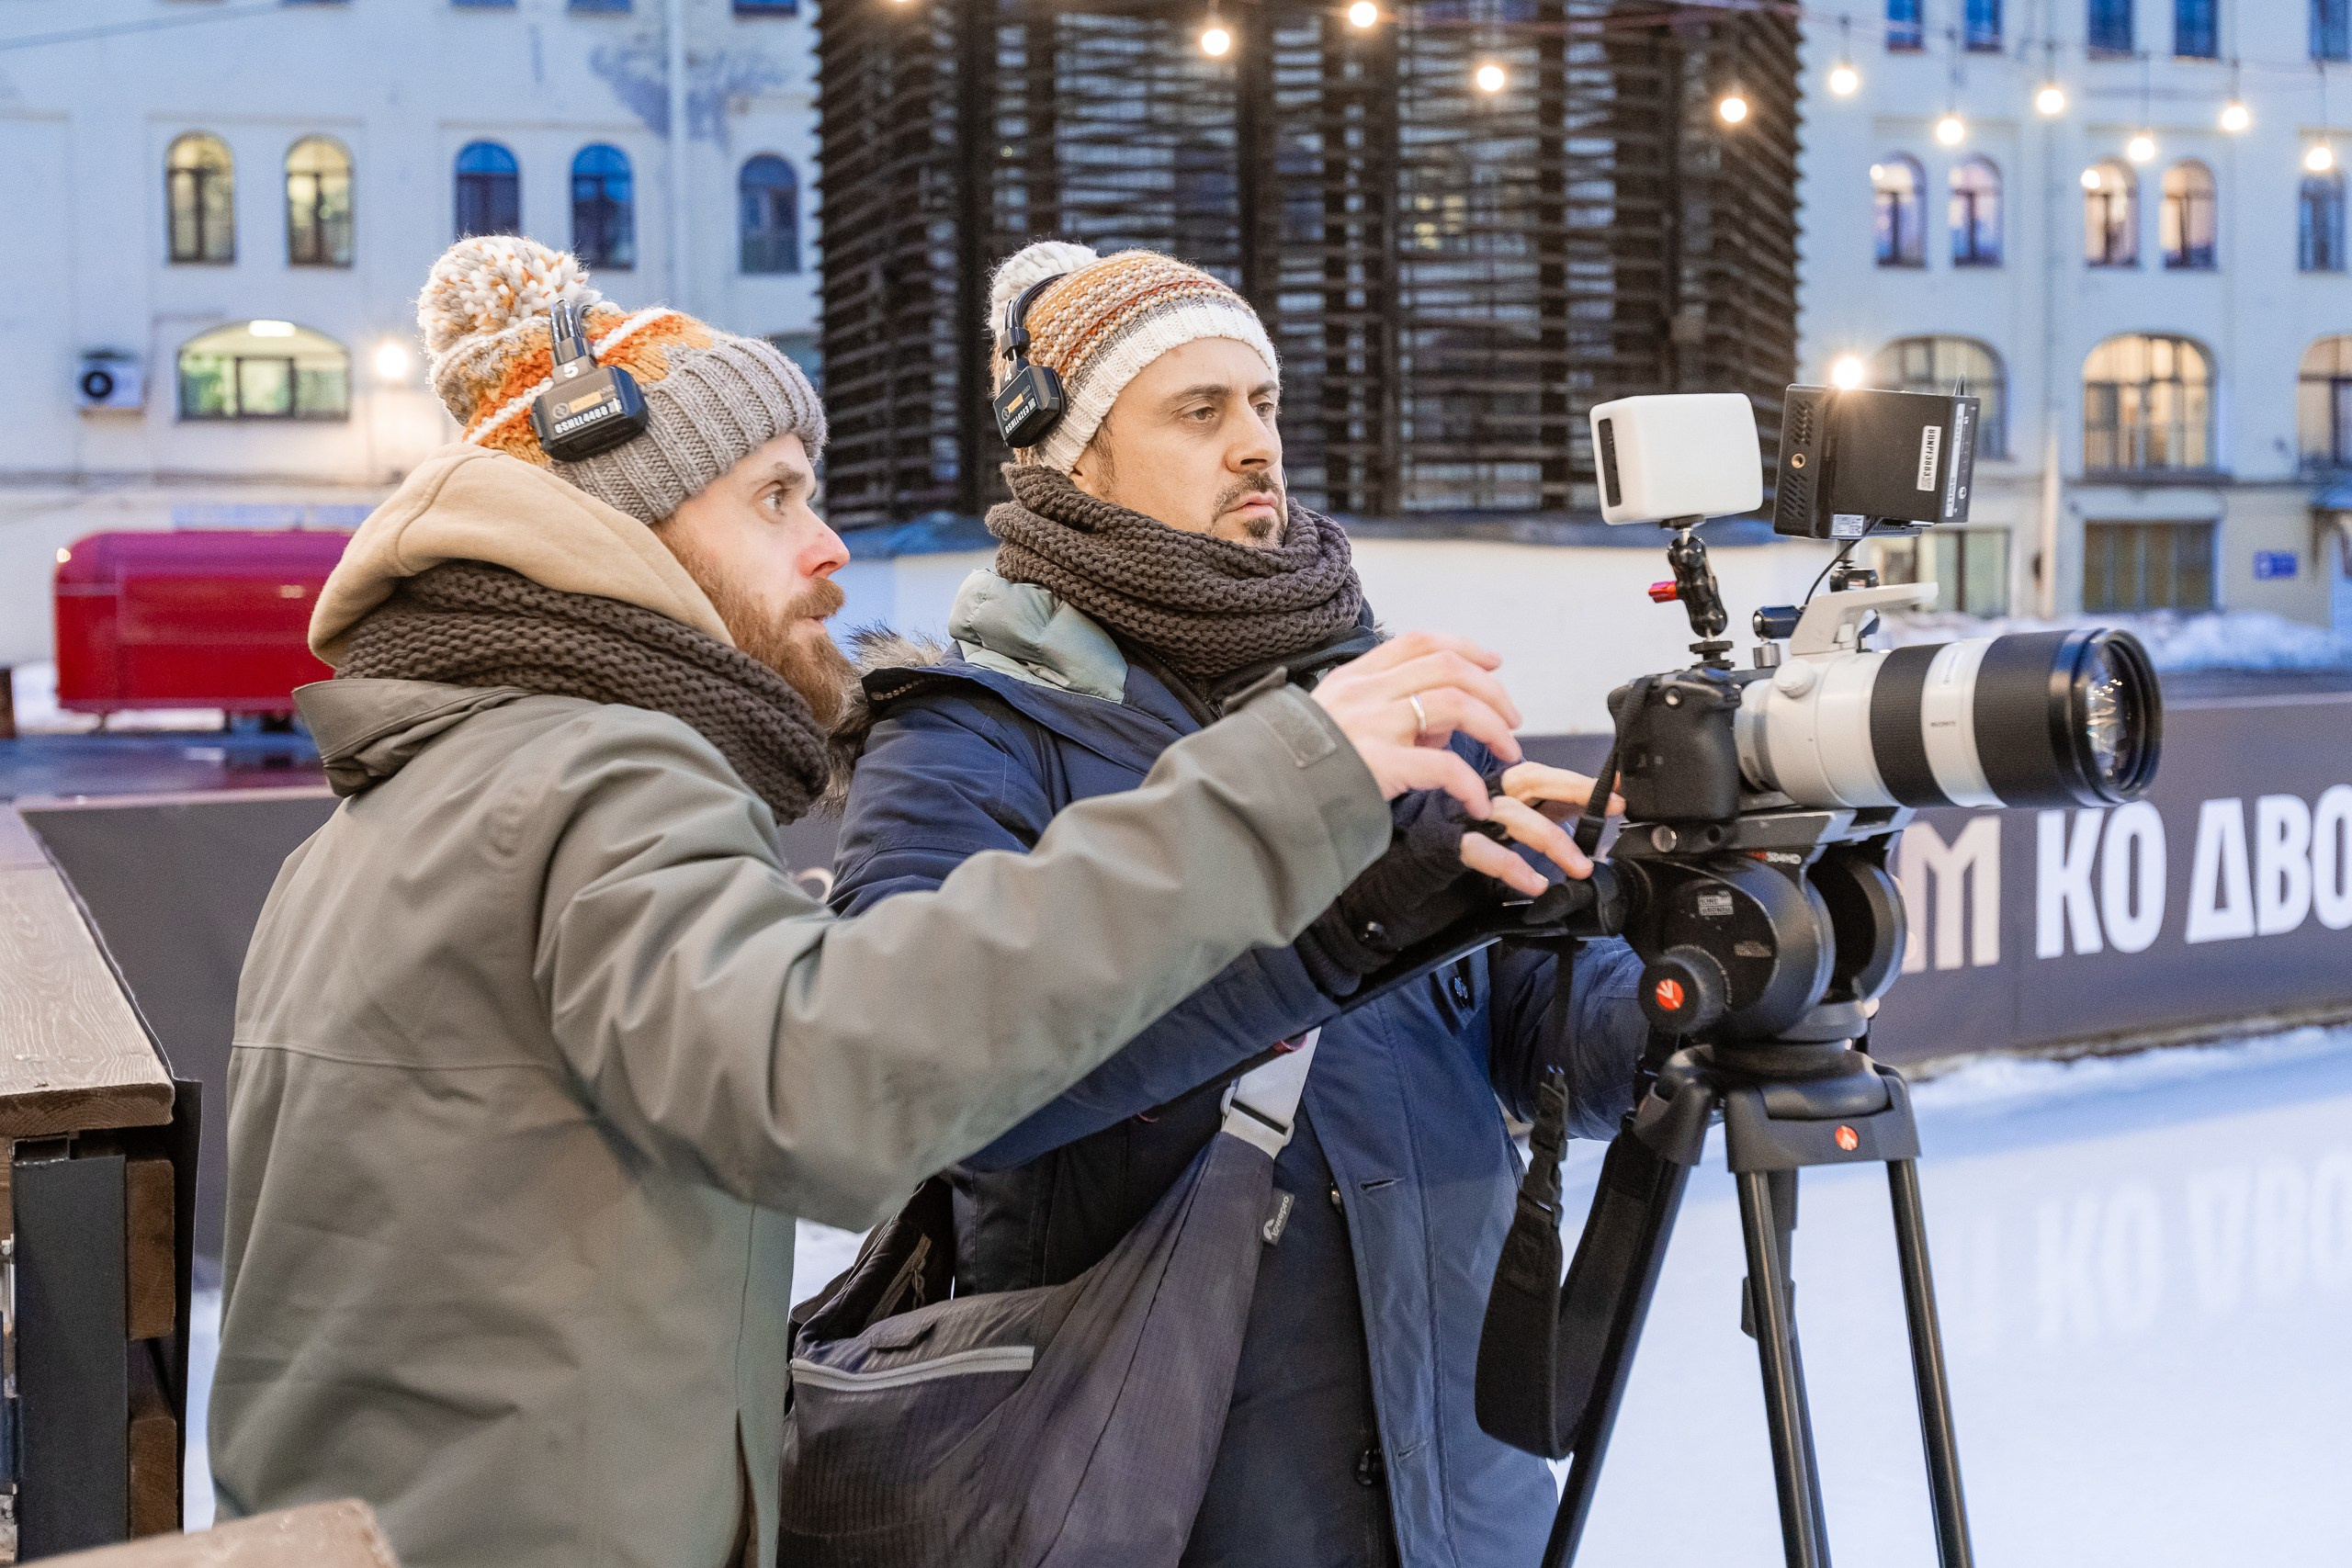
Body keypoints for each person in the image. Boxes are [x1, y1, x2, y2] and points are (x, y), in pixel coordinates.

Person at [212, 237, 1548, 1568]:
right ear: (629, 527)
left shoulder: (430, 794)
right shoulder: (592, 779)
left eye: (1261, 403)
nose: (831, 546)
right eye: (776, 498)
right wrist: (1286, 792)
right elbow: (831, 1084)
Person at [829, 241, 1651, 1568]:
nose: (1256, 444)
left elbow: (1552, 1045)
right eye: (1198, 411)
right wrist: (1338, 919)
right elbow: (925, 1090)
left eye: (1262, 403)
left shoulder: (1385, 693)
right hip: (1152, 1501)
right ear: (1069, 461)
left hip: (1461, 1493)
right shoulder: (966, 737)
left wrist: (1679, 951)